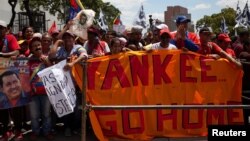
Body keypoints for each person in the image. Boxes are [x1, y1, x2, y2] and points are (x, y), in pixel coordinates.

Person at [28, 37, 53, 140]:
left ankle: (47, 131)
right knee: (34, 115)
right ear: (31, 49)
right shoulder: (28, 60)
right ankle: (36, 132)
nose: (37, 47)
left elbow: (53, 71)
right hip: (33, 94)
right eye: (34, 46)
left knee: (46, 114)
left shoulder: (47, 58)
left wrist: (47, 62)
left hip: (46, 92)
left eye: (38, 45)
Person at [239, 40, 250, 126]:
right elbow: (246, 57)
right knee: (246, 112)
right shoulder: (243, 54)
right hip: (245, 88)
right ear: (247, 46)